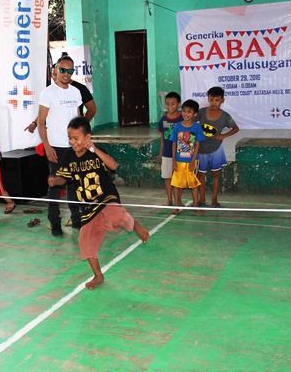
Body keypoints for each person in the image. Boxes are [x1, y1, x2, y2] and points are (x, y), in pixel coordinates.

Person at [48, 117, 149, 289]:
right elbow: (63, 179)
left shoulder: (95, 152)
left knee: (116, 216)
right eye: (70, 138)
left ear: (88, 137)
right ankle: (98, 275)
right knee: (85, 240)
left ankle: (136, 225)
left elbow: (113, 165)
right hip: (87, 206)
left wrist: (94, 149)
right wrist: (55, 181)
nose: (72, 142)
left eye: (76, 138)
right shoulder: (69, 157)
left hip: (106, 197)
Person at [37, 55, 83, 237]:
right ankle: (54, 223)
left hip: (74, 147)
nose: (66, 74)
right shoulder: (47, 93)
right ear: (55, 70)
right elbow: (41, 122)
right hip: (56, 148)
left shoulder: (76, 92)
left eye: (70, 71)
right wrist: (47, 146)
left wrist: (82, 143)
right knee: (55, 187)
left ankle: (76, 220)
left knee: (74, 185)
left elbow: (79, 120)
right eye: (62, 70)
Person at [195, 86, 239, 208]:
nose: (214, 102)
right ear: (208, 99)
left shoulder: (225, 116)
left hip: (217, 150)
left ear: (222, 100)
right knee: (201, 175)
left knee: (215, 175)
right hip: (202, 149)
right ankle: (202, 199)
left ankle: (214, 200)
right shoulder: (201, 112)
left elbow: (236, 128)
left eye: (217, 100)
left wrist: (223, 136)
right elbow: (191, 121)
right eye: (212, 99)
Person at [169, 99, 205, 215]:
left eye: (189, 112)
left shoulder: (197, 128)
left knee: (194, 184)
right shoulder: (177, 127)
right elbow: (174, 143)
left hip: (191, 161)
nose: (186, 114)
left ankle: (195, 206)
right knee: (176, 184)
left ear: (195, 114)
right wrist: (174, 160)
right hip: (178, 161)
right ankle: (177, 206)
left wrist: (193, 160)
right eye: (184, 111)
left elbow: (198, 144)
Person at [158, 92, 182, 206]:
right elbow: (162, 138)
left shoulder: (183, 118)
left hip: (180, 154)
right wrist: (160, 153)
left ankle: (178, 201)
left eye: (173, 104)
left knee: (178, 179)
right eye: (167, 104)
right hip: (167, 153)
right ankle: (169, 199)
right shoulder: (163, 120)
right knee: (167, 177)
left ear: (179, 104)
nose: (170, 106)